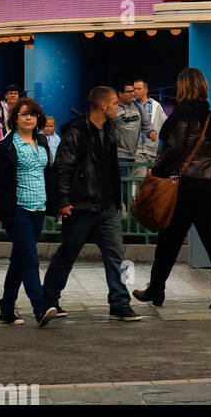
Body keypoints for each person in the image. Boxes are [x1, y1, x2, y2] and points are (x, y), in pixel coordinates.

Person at [132, 67, 211, 310]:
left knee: (169, 239)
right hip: (209, 182)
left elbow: (174, 148)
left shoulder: (180, 115)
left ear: (183, 87)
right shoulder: (209, 116)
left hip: (184, 185)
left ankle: (156, 289)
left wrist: (156, 171)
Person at [41, 85, 141, 321]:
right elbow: (63, 168)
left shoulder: (111, 129)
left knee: (118, 255)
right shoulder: (76, 132)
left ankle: (120, 302)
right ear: (103, 105)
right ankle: (49, 298)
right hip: (81, 205)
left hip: (108, 206)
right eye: (115, 103)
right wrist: (63, 200)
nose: (117, 108)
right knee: (68, 253)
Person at [0, 97, 57, 327]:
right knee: (30, 257)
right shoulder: (5, 147)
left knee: (20, 259)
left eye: (32, 114)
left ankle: (6, 308)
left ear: (38, 118)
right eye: (23, 114)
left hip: (39, 208)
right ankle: (40, 306)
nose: (28, 118)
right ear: (15, 118)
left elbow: (48, 176)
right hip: (16, 208)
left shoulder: (42, 142)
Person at [132, 79, 167, 164]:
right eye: (134, 89)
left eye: (138, 89)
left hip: (153, 152)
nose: (135, 91)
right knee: (140, 176)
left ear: (146, 90)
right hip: (137, 151)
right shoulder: (130, 105)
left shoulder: (156, 106)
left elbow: (166, 124)